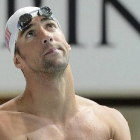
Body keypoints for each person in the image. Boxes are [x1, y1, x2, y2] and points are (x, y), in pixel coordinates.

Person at [0, 6, 131, 140]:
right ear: (18, 60)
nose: (47, 36)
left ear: (67, 44)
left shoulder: (111, 122)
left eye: (50, 26)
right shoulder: (4, 126)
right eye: (30, 33)